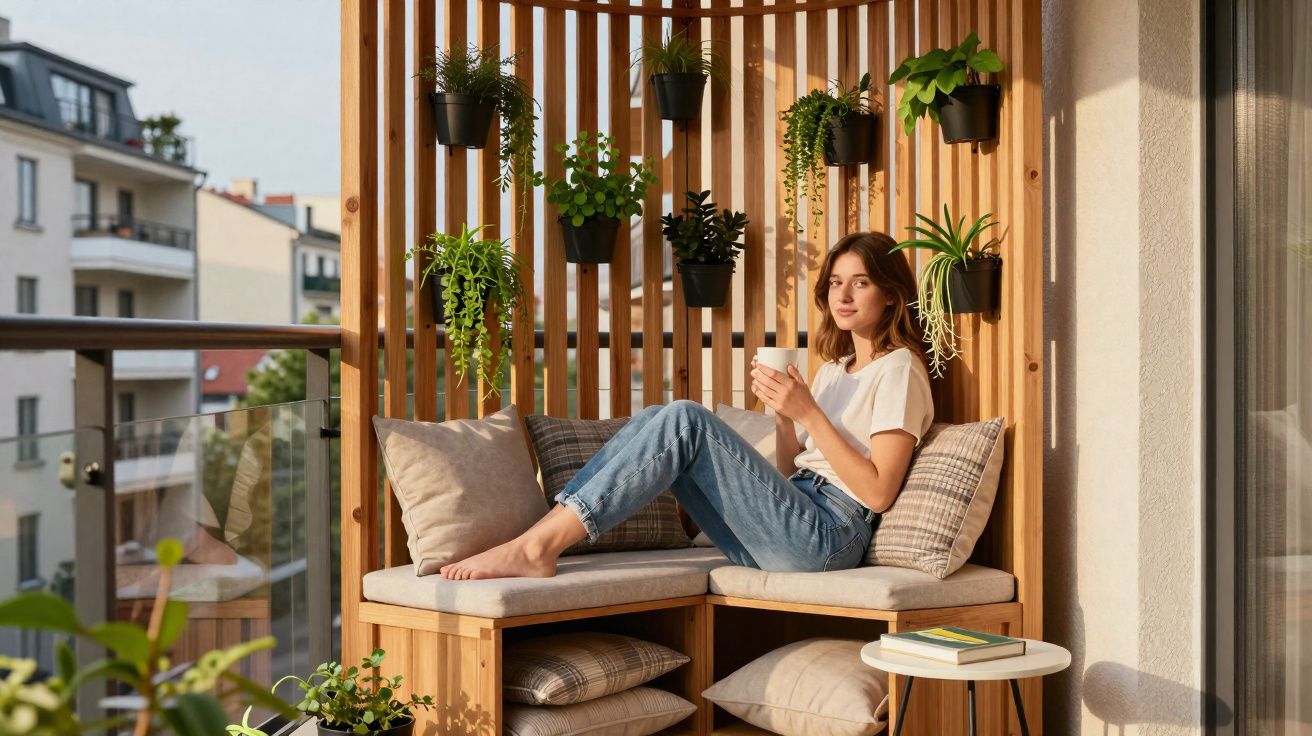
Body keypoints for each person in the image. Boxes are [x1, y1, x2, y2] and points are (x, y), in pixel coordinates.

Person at [440, 231, 934, 580]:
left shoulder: (900, 369)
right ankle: (541, 536)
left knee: (684, 419)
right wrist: (785, 416)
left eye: (861, 282)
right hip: (795, 518)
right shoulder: (834, 369)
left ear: (891, 295)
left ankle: (536, 546)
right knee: (660, 418)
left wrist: (809, 414)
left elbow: (878, 492)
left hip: (829, 538)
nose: (842, 294)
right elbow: (789, 471)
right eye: (835, 282)